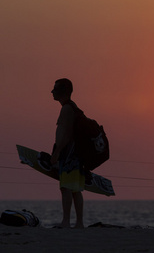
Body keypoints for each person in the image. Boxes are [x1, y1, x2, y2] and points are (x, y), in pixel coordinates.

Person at [50, 78, 85, 228]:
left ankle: (66, 221)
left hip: (69, 153)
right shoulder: (73, 107)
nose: (52, 91)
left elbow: (66, 133)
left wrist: (57, 152)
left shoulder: (66, 109)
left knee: (66, 187)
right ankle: (79, 223)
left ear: (63, 91)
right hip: (77, 154)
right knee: (75, 189)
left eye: (55, 89)